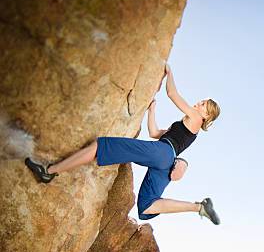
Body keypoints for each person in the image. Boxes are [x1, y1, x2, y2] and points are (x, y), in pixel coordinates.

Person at [25, 64, 221, 224]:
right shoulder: (185, 126)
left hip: (162, 153)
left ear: (206, 116)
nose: (199, 103)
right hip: (166, 160)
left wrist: (170, 72)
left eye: (204, 104)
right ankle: (199, 207)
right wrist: (152, 112)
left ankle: (49, 172)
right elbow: (154, 133)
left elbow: (172, 93)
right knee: (146, 206)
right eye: (202, 101)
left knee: (100, 147)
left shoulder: (195, 117)